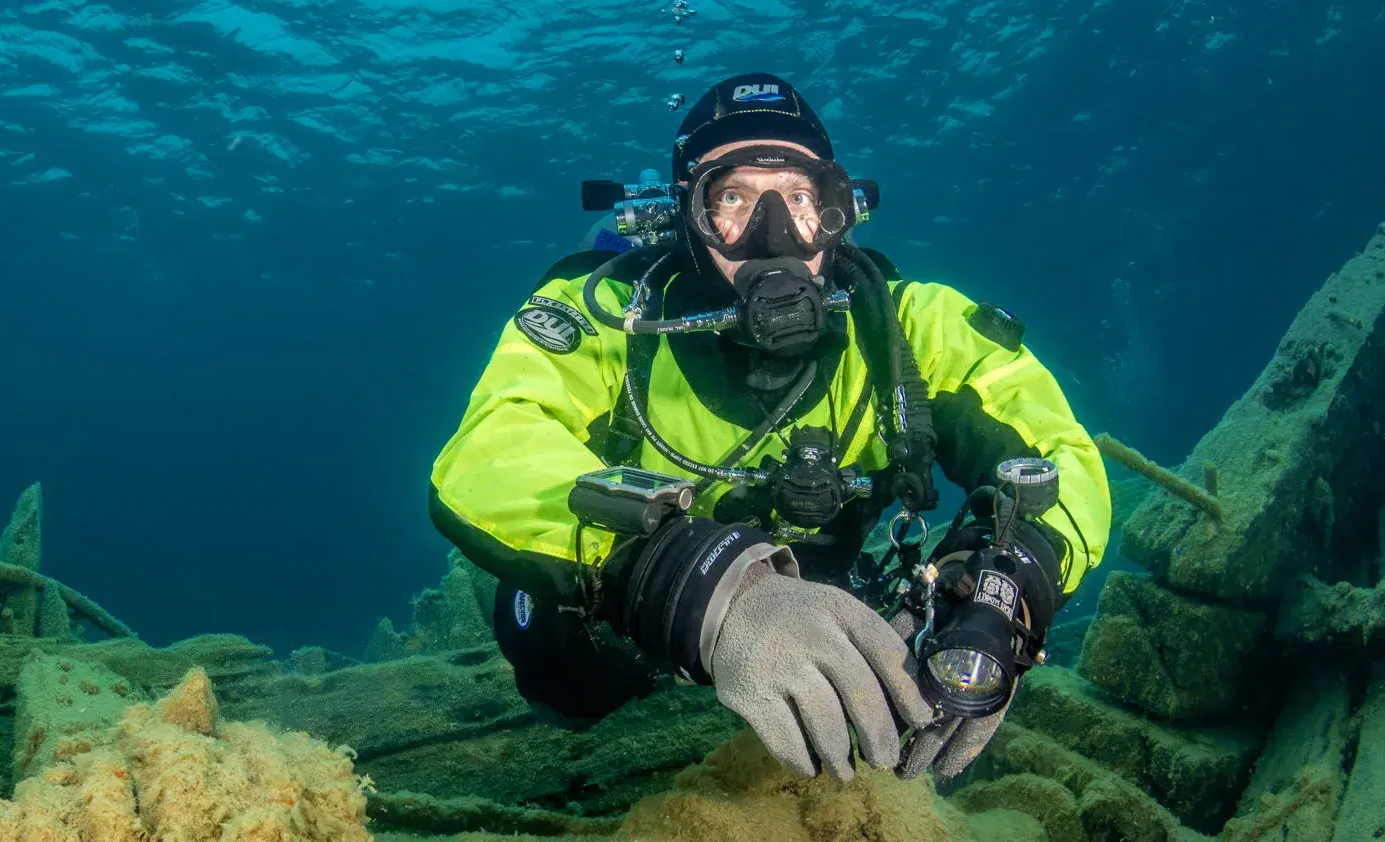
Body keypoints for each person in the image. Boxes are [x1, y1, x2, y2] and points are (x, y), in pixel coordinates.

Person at [428, 73, 1110, 782]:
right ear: (685, 216)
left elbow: (1062, 457)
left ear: (839, 213)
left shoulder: (913, 328)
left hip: (813, 592)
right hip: (623, 618)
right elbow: (487, 449)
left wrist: (1003, 595)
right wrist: (705, 587)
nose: (774, 236)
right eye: (733, 199)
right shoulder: (602, 319)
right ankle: (497, 591)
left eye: (800, 200)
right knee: (562, 683)